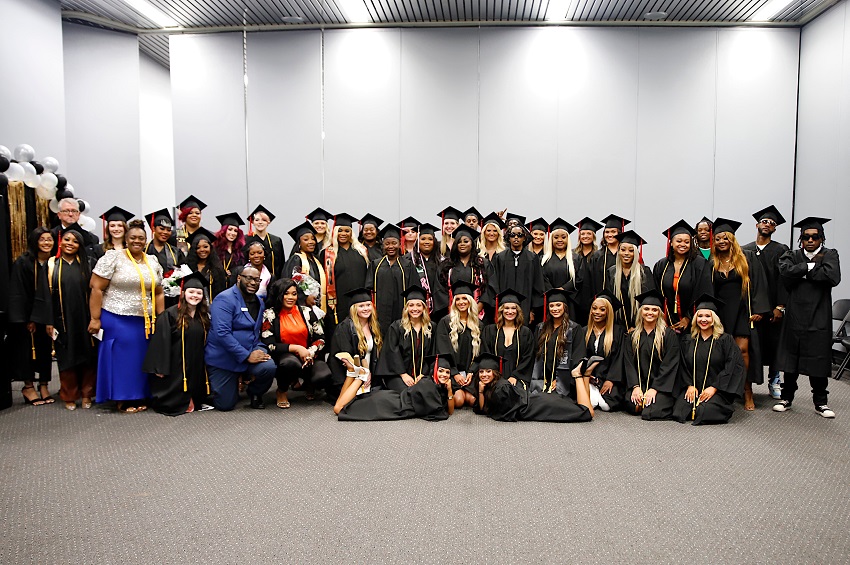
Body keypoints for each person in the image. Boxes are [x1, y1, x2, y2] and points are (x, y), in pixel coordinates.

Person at [89, 219, 164, 413]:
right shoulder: (113, 257)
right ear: (126, 238)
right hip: (117, 316)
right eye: (133, 237)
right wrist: (95, 318)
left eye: (141, 238)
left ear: (146, 239)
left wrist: (161, 319)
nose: (137, 241)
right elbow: (96, 288)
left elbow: (158, 292)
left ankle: (140, 394)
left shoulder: (152, 261)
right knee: (123, 358)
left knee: (140, 358)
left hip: (144, 320)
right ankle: (123, 398)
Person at [773, 217, 841, 418]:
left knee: (818, 358)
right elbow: (785, 273)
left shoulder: (830, 254)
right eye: (806, 237)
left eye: (815, 237)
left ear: (822, 238)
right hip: (795, 314)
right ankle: (786, 398)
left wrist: (800, 273)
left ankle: (821, 403)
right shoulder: (791, 254)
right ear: (800, 239)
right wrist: (811, 267)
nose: (810, 240)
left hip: (819, 314)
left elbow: (832, 276)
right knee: (791, 357)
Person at [702, 218, 771, 411]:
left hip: (743, 311)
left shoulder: (747, 257)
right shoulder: (712, 262)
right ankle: (724, 388)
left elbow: (760, 284)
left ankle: (746, 389)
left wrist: (758, 309)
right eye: (718, 239)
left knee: (743, 351)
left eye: (725, 237)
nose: (722, 241)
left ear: (732, 239)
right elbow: (707, 289)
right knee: (723, 353)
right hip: (721, 312)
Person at [205, 264, 277, 410]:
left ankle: (255, 393)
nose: (253, 283)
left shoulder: (259, 302)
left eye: (257, 280)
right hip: (224, 358)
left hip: (250, 349)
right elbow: (222, 333)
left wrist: (259, 350)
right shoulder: (224, 299)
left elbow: (255, 332)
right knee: (225, 405)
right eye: (249, 278)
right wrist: (246, 356)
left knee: (268, 366)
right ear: (239, 278)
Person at [142, 271, 211, 416]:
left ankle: (194, 400)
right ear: (183, 293)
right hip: (175, 361)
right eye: (191, 292)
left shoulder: (202, 316)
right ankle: (179, 403)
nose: (195, 296)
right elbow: (160, 341)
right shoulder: (170, 314)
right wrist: (160, 366)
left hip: (195, 360)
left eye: (198, 293)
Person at [672, 294, 745, 425]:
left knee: (703, 411)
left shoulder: (725, 340)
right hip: (693, 387)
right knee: (680, 411)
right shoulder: (688, 340)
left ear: (714, 319)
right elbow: (682, 365)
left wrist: (714, 388)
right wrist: (689, 385)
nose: (703, 320)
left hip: (718, 389)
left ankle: (720, 406)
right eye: (700, 316)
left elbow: (732, 366)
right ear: (695, 319)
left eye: (707, 316)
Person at [742, 205, 790, 400]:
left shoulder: (781, 250)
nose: (767, 225)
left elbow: (784, 280)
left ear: (775, 228)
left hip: (772, 308)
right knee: (753, 347)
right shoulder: (745, 250)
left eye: (771, 223)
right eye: (764, 221)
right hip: (751, 309)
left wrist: (780, 306)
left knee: (774, 346)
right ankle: (747, 386)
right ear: (757, 225)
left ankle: (774, 380)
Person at [261, 277, 330, 409]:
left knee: (324, 375)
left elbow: (320, 337)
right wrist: (297, 348)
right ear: (278, 295)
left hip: (309, 356)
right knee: (290, 363)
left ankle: (308, 384)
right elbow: (269, 344)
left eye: (294, 294)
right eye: (286, 294)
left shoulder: (307, 312)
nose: (290, 297)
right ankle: (281, 390)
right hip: (285, 357)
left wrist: (310, 351)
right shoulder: (270, 315)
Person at [48, 230, 97, 410]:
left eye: (75, 241)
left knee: (88, 356)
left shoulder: (89, 264)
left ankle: (87, 394)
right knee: (66, 357)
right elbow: (46, 296)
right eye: (67, 239)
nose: (70, 243)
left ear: (80, 246)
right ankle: (69, 395)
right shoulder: (52, 265)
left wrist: (95, 318)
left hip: (85, 317)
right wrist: (49, 322)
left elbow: (97, 292)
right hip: (62, 319)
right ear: (60, 242)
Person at [8, 228, 55, 406]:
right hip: (29, 316)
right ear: (35, 242)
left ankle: (44, 384)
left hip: (49, 316)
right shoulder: (24, 262)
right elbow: (18, 293)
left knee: (45, 350)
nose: (46, 243)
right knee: (28, 350)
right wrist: (29, 318)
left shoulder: (53, 262)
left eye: (49, 239)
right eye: (42, 240)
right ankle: (28, 386)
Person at [474, 352, 593, 422]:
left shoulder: (501, 388)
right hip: (537, 402)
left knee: (587, 413)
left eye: (488, 371)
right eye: (481, 372)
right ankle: (586, 375)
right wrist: (480, 391)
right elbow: (482, 408)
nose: (484, 375)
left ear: (495, 372)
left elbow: (489, 411)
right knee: (581, 407)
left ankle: (578, 375)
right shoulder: (490, 385)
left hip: (541, 406)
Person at [334, 353, 451, 421]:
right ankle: (361, 377)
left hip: (391, 400)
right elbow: (443, 413)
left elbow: (449, 411)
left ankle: (351, 373)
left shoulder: (436, 386)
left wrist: (449, 390)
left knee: (343, 404)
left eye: (447, 372)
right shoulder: (428, 385)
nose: (444, 375)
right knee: (339, 409)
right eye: (441, 371)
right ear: (434, 371)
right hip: (390, 406)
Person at [623, 290, 680, 420]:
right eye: (646, 309)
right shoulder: (633, 336)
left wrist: (654, 388)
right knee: (634, 406)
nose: (650, 312)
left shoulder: (668, 335)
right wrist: (636, 387)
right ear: (641, 312)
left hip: (661, 386)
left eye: (654, 310)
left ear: (659, 313)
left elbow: (669, 364)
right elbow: (629, 363)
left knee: (649, 412)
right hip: (640, 383)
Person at [572, 290, 627, 412]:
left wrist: (611, 380)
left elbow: (620, 358)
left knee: (606, 406)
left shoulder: (617, 332)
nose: (597, 312)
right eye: (594, 308)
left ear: (609, 312)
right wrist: (587, 376)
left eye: (602, 309)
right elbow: (579, 356)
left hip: (609, 377)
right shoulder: (584, 331)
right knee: (590, 403)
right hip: (588, 378)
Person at [653, 220, 707, 337]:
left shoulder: (699, 264)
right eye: (679, 241)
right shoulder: (661, 265)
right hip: (666, 320)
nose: (683, 244)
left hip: (692, 321)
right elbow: (657, 291)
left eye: (687, 242)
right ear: (671, 243)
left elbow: (702, 292)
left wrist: (688, 318)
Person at [319, 213, 370, 335]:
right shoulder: (327, 254)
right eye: (340, 230)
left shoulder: (362, 252)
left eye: (347, 231)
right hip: (338, 302)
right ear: (335, 232)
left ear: (351, 233)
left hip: (359, 300)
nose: (343, 234)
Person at [434, 282, 483, 408]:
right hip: (451, 372)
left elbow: (482, 353)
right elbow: (443, 350)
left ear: (470, 301)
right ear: (454, 302)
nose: (461, 302)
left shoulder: (479, 325)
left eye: (465, 298)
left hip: (471, 374)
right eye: (458, 299)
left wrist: (472, 372)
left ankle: (467, 390)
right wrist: (454, 373)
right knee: (459, 400)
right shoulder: (446, 322)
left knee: (472, 400)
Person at [376, 286, 434, 392]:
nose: (415, 309)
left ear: (424, 308)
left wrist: (423, 374)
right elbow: (391, 352)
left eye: (419, 305)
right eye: (411, 305)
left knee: (425, 391)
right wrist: (403, 374)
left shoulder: (431, 328)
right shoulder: (397, 327)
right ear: (406, 308)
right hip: (397, 375)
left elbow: (433, 354)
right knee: (408, 392)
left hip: (423, 374)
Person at [328, 288, 382, 398]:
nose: (366, 309)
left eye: (368, 305)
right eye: (361, 306)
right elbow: (347, 358)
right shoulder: (344, 328)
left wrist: (370, 374)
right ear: (354, 309)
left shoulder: (374, 327)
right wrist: (363, 374)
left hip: (369, 374)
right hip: (350, 375)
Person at [365, 224, 417, 337]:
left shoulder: (408, 265)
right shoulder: (376, 264)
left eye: (394, 243)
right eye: (387, 243)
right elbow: (368, 288)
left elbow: (414, 289)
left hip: (400, 310)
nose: (390, 246)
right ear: (383, 245)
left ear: (399, 244)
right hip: (380, 313)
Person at [531, 288, 583, 397]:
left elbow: (578, 356)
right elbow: (534, 355)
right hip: (542, 380)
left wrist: (561, 380)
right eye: (551, 306)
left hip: (564, 382)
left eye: (558, 305)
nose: (555, 309)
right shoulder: (541, 328)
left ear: (565, 306)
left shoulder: (574, 329)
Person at [490, 223, 545, 324]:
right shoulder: (500, 258)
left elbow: (538, 285)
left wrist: (532, 310)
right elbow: (494, 284)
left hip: (526, 306)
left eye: (520, 235)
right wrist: (497, 307)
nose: (516, 238)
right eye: (512, 235)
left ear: (524, 238)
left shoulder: (532, 258)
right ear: (508, 238)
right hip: (504, 307)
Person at [480, 289, 535, 386]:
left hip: (518, 379)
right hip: (494, 379)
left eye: (513, 308)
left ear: (518, 311)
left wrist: (515, 376)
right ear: (501, 310)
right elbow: (486, 354)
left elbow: (528, 358)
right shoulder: (490, 331)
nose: (510, 311)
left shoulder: (525, 333)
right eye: (506, 308)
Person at [605, 230, 656, 331]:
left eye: (631, 250)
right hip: (617, 325)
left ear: (636, 253)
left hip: (640, 325)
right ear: (618, 251)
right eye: (623, 250)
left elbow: (647, 301)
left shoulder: (644, 272)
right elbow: (610, 301)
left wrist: (638, 326)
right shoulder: (611, 272)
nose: (626, 253)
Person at [439, 224, 489, 319]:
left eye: (466, 241)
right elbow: (440, 289)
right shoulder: (446, 266)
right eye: (459, 242)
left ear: (472, 243)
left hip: (479, 314)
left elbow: (490, 288)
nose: (462, 244)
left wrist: (479, 307)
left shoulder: (483, 264)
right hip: (452, 314)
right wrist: (452, 309)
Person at [541, 218, 585, 321]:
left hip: (570, 300)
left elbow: (579, 279)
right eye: (556, 237)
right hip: (550, 301)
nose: (560, 240)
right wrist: (553, 291)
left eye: (563, 237)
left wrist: (564, 289)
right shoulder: (544, 259)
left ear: (568, 239)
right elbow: (541, 278)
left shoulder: (576, 258)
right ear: (551, 239)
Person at [283, 221, 326, 311]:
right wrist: (304, 298)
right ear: (299, 243)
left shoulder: (316, 260)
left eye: (313, 239)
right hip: (302, 306)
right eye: (306, 240)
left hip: (318, 304)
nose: (311, 242)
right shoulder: (296, 259)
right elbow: (289, 283)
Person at [409, 222, 448, 319]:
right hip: (416, 309)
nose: (427, 242)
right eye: (423, 239)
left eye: (430, 239)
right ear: (418, 241)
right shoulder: (409, 260)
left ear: (434, 242)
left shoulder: (443, 262)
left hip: (439, 309)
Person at [573, 217, 603, 325]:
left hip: (592, 296)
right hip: (575, 298)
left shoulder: (598, 255)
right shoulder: (573, 254)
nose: (585, 236)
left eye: (589, 234)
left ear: (593, 236)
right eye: (583, 234)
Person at [590, 214, 629, 296]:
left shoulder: (627, 254)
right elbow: (591, 281)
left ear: (620, 233)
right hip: (603, 299)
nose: (610, 235)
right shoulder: (597, 256)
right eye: (607, 232)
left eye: (613, 232)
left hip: (624, 297)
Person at [185, 227, 227, 301]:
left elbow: (221, 292)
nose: (202, 250)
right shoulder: (187, 268)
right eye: (198, 247)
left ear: (210, 248)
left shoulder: (217, 269)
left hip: (211, 307)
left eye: (205, 247)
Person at [244, 204, 285, 278]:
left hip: (272, 280)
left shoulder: (276, 241)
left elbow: (280, 264)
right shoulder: (245, 240)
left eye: (264, 220)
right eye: (257, 220)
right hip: (251, 280)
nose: (260, 222)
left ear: (268, 222)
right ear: (252, 222)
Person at [144, 208, 185, 278]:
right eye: (162, 229)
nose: (165, 232)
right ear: (153, 229)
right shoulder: (144, 250)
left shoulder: (176, 252)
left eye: (168, 230)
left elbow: (183, 272)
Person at [213, 212, 246, 282]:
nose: (233, 233)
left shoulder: (239, 250)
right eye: (230, 229)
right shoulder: (215, 248)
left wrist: (233, 272)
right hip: (217, 283)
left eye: (235, 231)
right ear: (224, 231)